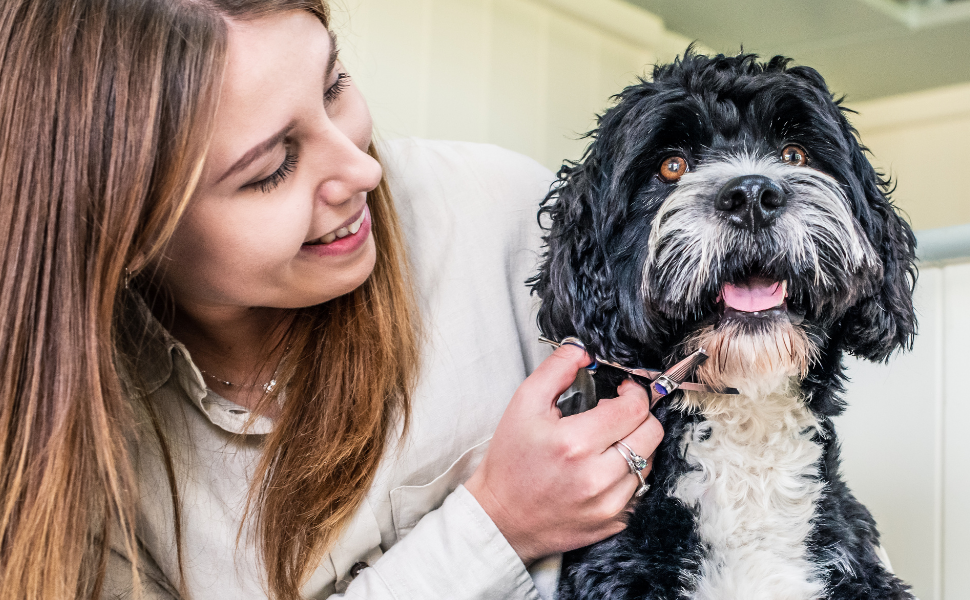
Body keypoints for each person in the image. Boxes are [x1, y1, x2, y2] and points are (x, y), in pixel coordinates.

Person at [0, 1, 664, 598]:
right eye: (271, 170)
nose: (363, 170)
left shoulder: (506, 214)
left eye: (334, 86)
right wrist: (496, 527)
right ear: (126, 232)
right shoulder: (75, 463)